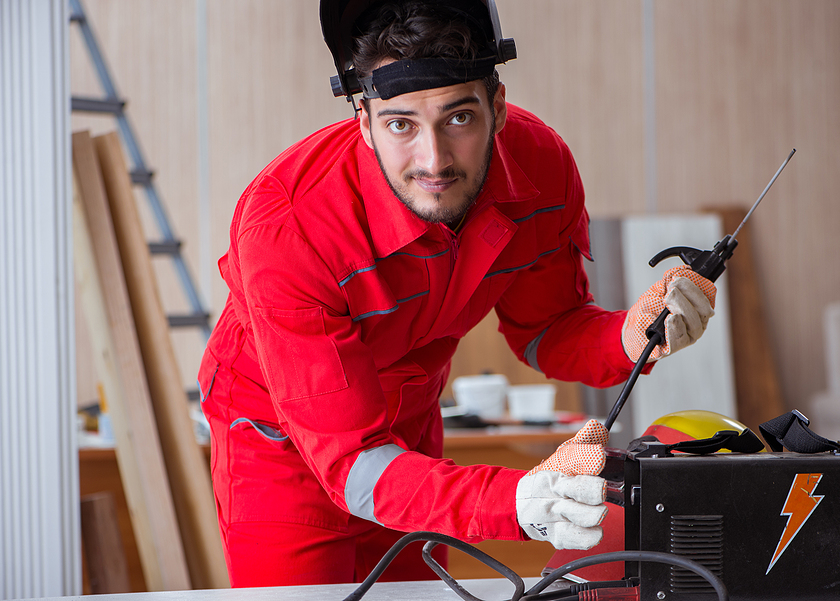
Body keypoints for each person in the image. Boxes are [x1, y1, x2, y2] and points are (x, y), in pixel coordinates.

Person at [197, 0, 717, 587]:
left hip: (411, 430)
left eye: (459, 118)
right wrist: (517, 501)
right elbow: (353, 466)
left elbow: (546, 333)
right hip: (282, 446)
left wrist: (632, 333)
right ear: (363, 121)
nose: (434, 160)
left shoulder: (541, 168)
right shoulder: (287, 224)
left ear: (497, 106)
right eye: (401, 124)